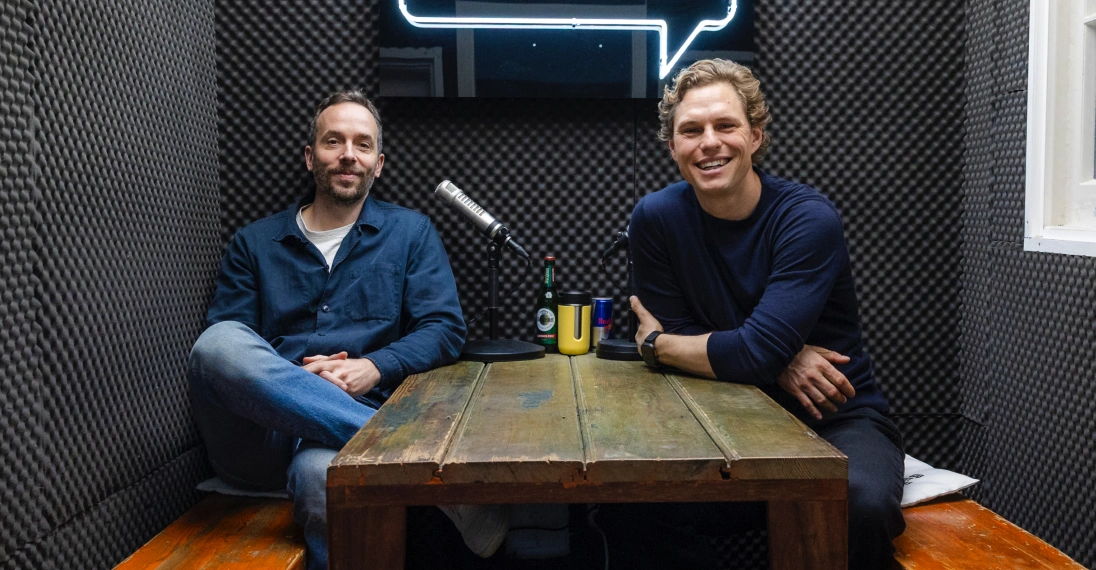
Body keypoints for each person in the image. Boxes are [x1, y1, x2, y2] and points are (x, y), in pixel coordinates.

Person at [187, 91, 508, 570]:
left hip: (344, 433)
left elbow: (443, 328)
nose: (347, 155)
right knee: (216, 345)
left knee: (325, 479)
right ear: (310, 156)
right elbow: (232, 357)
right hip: (261, 437)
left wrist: (372, 367)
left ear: (378, 164)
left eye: (362, 145)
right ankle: (431, 474)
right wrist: (296, 382)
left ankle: (400, 460)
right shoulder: (253, 243)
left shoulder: (410, 233)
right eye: (333, 141)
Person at [628, 59, 905, 569]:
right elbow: (750, 348)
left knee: (859, 505)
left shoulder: (806, 218)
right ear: (673, 148)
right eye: (691, 131)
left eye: (725, 126)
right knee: (639, 507)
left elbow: (689, 340)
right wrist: (777, 356)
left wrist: (656, 346)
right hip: (718, 413)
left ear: (755, 136)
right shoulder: (656, 218)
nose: (709, 142)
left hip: (831, 416)